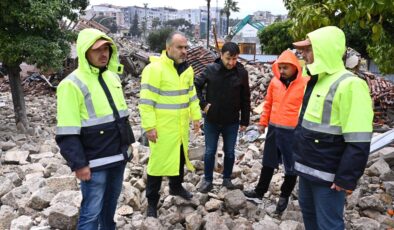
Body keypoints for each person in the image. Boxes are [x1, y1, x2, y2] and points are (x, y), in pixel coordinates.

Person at [292, 26, 373, 230]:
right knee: (310, 218)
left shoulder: (350, 85)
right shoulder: (316, 81)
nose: (304, 54)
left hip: (328, 177)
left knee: (329, 225)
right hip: (307, 170)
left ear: (324, 50)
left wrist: (346, 178)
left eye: (309, 49)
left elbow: (359, 138)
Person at [56, 28, 135, 229]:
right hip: (94, 161)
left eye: (107, 48)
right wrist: (79, 164)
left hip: (118, 157)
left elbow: (122, 118)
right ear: (84, 52)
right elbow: (67, 131)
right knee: (91, 213)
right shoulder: (71, 84)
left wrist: (128, 147)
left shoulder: (112, 77)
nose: (104, 54)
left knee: (110, 207)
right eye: (97, 50)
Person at [138, 31, 202, 218]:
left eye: (185, 47)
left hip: (180, 127)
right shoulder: (155, 69)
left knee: (180, 158)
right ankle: (152, 203)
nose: (184, 51)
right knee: (157, 166)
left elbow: (192, 95)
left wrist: (196, 117)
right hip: (162, 128)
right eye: (179, 47)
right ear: (168, 48)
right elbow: (146, 101)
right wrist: (149, 127)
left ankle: (176, 187)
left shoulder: (187, 70)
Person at [243, 50, 309, 214]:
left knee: (291, 167)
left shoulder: (305, 83)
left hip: (292, 132)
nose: (282, 71)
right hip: (273, 129)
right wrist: (262, 124)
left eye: (285, 68)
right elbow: (268, 104)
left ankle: (284, 196)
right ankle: (259, 192)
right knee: (268, 162)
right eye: (280, 68)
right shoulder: (274, 82)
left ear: (295, 67)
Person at [195, 42, 251, 193]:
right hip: (212, 120)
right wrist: (203, 104)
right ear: (221, 55)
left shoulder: (241, 73)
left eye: (235, 59)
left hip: (231, 121)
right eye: (228, 58)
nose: (231, 62)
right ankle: (207, 180)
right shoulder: (211, 69)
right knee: (209, 151)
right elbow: (196, 86)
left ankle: (226, 179)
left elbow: (246, 97)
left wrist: (245, 120)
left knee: (230, 151)